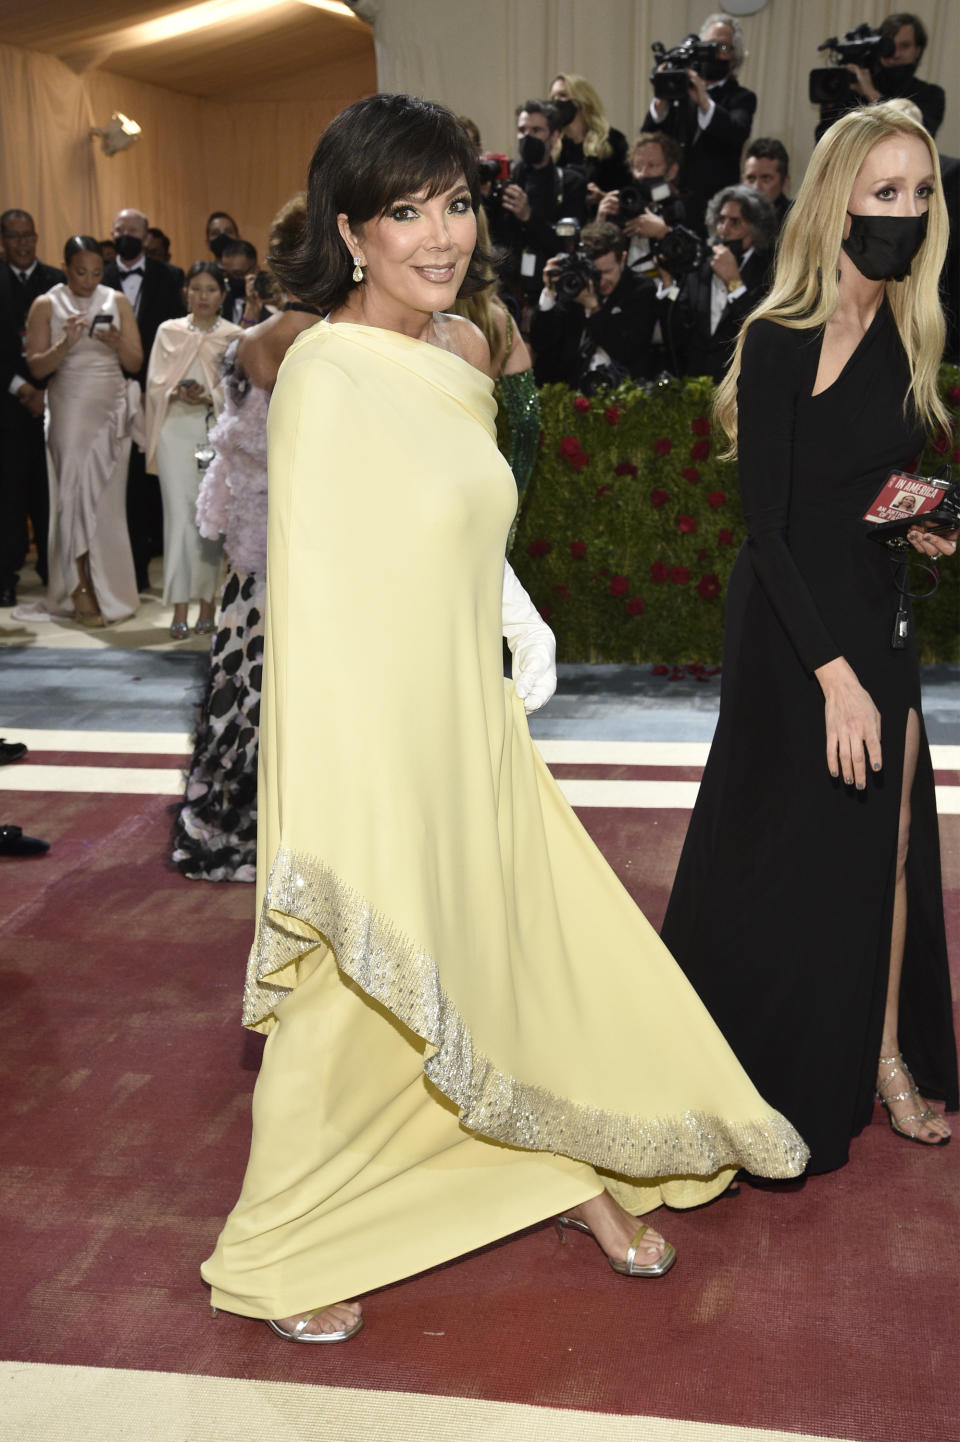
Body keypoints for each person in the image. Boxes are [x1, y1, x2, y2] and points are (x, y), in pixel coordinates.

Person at [200, 92, 807, 1345]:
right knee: (354, 993)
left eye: (457, 206)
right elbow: (317, 599)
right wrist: (340, 786)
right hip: (376, 734)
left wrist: (509, 624)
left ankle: (569, 1171)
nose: (442, 237)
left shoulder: (469, 355)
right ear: (352, 230)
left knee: (531, 950)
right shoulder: (324, 371)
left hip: (472, 719)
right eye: (405, 212)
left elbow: (460, 527)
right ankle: (281, 1241)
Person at [661, 104, 959, 1177]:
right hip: (791, 626)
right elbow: (770, 528)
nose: (907, 214)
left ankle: (879, 1057)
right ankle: (739, 1068)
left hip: (877, 608)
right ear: (837, 200)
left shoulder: (912, 329)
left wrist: (921, 524)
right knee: (773, 853)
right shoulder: (777, 335)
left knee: (886, 853)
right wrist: (833, 678)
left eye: (921, 195)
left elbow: (866, 492)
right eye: (885, 194)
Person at [173, 197, 321, 882]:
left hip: (255, 549)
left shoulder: (246, 346)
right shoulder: (343, 346)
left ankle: (238, 823)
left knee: (247, 681)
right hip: (325, 543)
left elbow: (231, 457)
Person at [25, 237, 142, 625]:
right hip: (70, 406)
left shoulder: (116, 300)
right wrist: (65, 343)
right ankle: (79, 589)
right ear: (65, 266)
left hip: (112, 406)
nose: (89, 281)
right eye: (80, 272)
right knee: (72, 496)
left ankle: (109, 585)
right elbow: (38, 368)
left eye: (96, 272)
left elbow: (135, 361)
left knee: (107, 503)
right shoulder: (46, 304)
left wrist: (117, 340)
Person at [145, 263, 242, 638]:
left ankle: (207, 607)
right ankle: (178, 609)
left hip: (212, 432)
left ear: (222, 295)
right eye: (196, 289)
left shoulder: (235, 336)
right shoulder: (168, 331)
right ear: (186, 291)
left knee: (211, 519)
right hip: (174, 432)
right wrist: (175, 391)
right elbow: (153, 386)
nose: (203, 296)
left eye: (211, 290)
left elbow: (240, 390)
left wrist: (211, 396)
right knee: (179, 521)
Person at [103, 208, 186, 592]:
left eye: (133, 230)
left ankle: (151, 565)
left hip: (156, 392)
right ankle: (122, 569)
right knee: (117, 482)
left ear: (147, 235)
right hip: (109, 393)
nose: (126, 236)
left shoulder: (170, 277)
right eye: (120, 231)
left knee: (149, 480)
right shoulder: (99, 278)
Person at [450, 207, 540, 521]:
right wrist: (507, 505)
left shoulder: (397, 320)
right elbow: (527, 424)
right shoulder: (497, 321)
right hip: (478, 502)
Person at [643, 12, 756, 235]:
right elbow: (647, 144)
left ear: (734, 58)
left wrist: (704, 101)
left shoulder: (741, 98)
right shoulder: (679, 95)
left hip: (715, 210)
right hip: (671, 207)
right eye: (709, 45)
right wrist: (662, 98)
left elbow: (737, 132)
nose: (714, 52)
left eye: (722, 47)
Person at [0, 209, 63, 606]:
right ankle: (7, 573)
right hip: (7, 408)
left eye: (29, 235)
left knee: (49, 490)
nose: (23, 243)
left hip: (55, 402)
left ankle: (52, 570)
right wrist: (22, 387)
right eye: (15, 236)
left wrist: (44, 390)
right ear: (4, 240)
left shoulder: (57, 281)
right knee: (9, 494)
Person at [657, 182, 775, 380]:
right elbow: (676, 332)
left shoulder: (769, 271)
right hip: (696, 388)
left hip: (741, 387)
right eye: (721, 220)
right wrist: (668, 284)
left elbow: (762, 334)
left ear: (756, 229)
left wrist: (734, 282)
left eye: (735, 222)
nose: (724, 230)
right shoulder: (700, 266)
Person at [488, 100, 587, 315]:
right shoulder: (504, 179)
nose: (527, 136)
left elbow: (567, 247)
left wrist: (529, 217)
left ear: (554, 136)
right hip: (504, 294)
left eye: (536, 130)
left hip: (552, 295)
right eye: (522, 130)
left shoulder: (570, 183)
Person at [531, 220, 657, 387]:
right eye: (596, 273)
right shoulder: (574, 285)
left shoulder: (641, 289)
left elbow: (627, 350)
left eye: (607, 272)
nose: (601, 281)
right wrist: (549, 292)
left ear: (623, 259)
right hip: (567, 392)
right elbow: (541, 343)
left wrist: (593, 308)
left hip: (622, 393)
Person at [818, 12, 945, 142]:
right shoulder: (855, 86)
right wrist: (832, 101)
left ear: (918, 50)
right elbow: (824, 141)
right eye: (889, 46)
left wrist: (872, 95)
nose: (895, 54)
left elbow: (917, 137)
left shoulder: (931, 95)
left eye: (904, 46)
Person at [598, 131, 690, 282]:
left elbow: (692, 257)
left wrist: (664, 233)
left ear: (672, 170)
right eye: (638, 167)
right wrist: (601, 222)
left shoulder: (686, 206)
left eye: (652, 165)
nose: (643, 174)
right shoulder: (626, 203)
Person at [548, 73, 631, 208]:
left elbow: (627, 189)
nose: (556, 102)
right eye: (552, 98)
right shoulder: (551, 145)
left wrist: (602, 197)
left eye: (563, 95)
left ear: (582, 101)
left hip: (602, 221)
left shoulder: (612, 141)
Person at [742, 137, 791, 232]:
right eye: (751, 179)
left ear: (785, 182)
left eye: (766, 179)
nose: (756, 187)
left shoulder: (796, 221)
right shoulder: (730, 217)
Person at [218, 240, 271, 328]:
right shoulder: (221, 298)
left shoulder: (270, 297)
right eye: (226, 274)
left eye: (238, 274)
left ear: (255, 270)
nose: (230, 279)